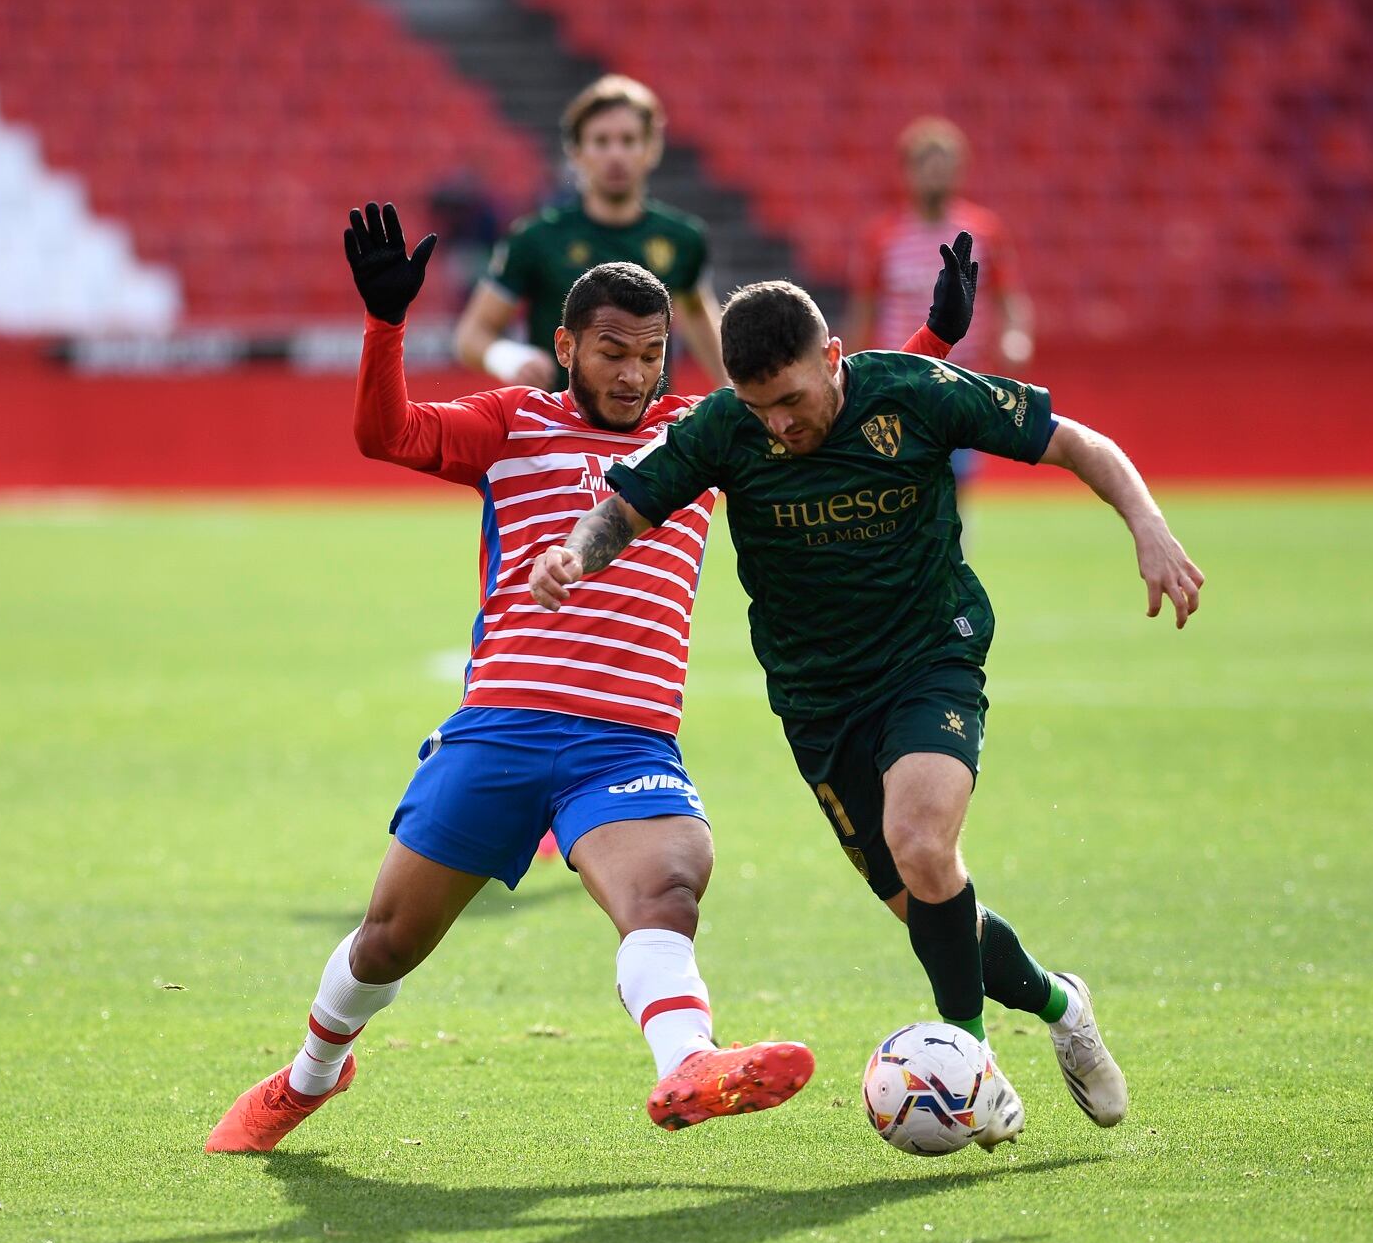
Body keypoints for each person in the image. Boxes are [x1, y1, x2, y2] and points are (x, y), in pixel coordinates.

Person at [206, 202, 984, 1153]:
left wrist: (937, 335)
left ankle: (687, 1063)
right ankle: (308, 1076)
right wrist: (385, 325)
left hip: (625, 739)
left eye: (652, 353)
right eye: (612, 349)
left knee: (668, 886)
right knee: (388, 940)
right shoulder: (511, 421)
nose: (633, 371)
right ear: (565, 344)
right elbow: (388, 434)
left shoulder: (708, 435)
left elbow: (821, 409)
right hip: (499, 726)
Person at [532, 281, 1207, 1143]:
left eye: (792, 400)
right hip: (818, 703)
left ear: (833, 360)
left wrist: (1145, 523)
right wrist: (573, 554)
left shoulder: (912, 393)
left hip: (931, 657)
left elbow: (1076, 442)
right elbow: (622, 511)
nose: (778, 423)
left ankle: (969, 1060)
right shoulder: (723, 429)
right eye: (758, 406)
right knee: (927, 905)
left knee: (924, 844)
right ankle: (1060, 1001)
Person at [454, 75, 728, 393]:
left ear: (651, 148)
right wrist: (511, 358)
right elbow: (471, 335)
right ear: (576, 152)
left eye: (628, 140)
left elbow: (696, 318)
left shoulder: (682, 238)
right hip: (559, 431)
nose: (615, 154)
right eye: (601, 141)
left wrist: (733, 392)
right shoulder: (536, 238)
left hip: (650, 432)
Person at [849, 116, 1034, 375]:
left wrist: (1015, 336)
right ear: (907, 171)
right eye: (926, 166)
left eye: (944, 167)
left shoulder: (984, 231)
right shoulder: (882, 237)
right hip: (903, 370)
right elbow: (864, 308)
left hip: (967, 371)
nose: (936, 175)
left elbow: (1009, 298)